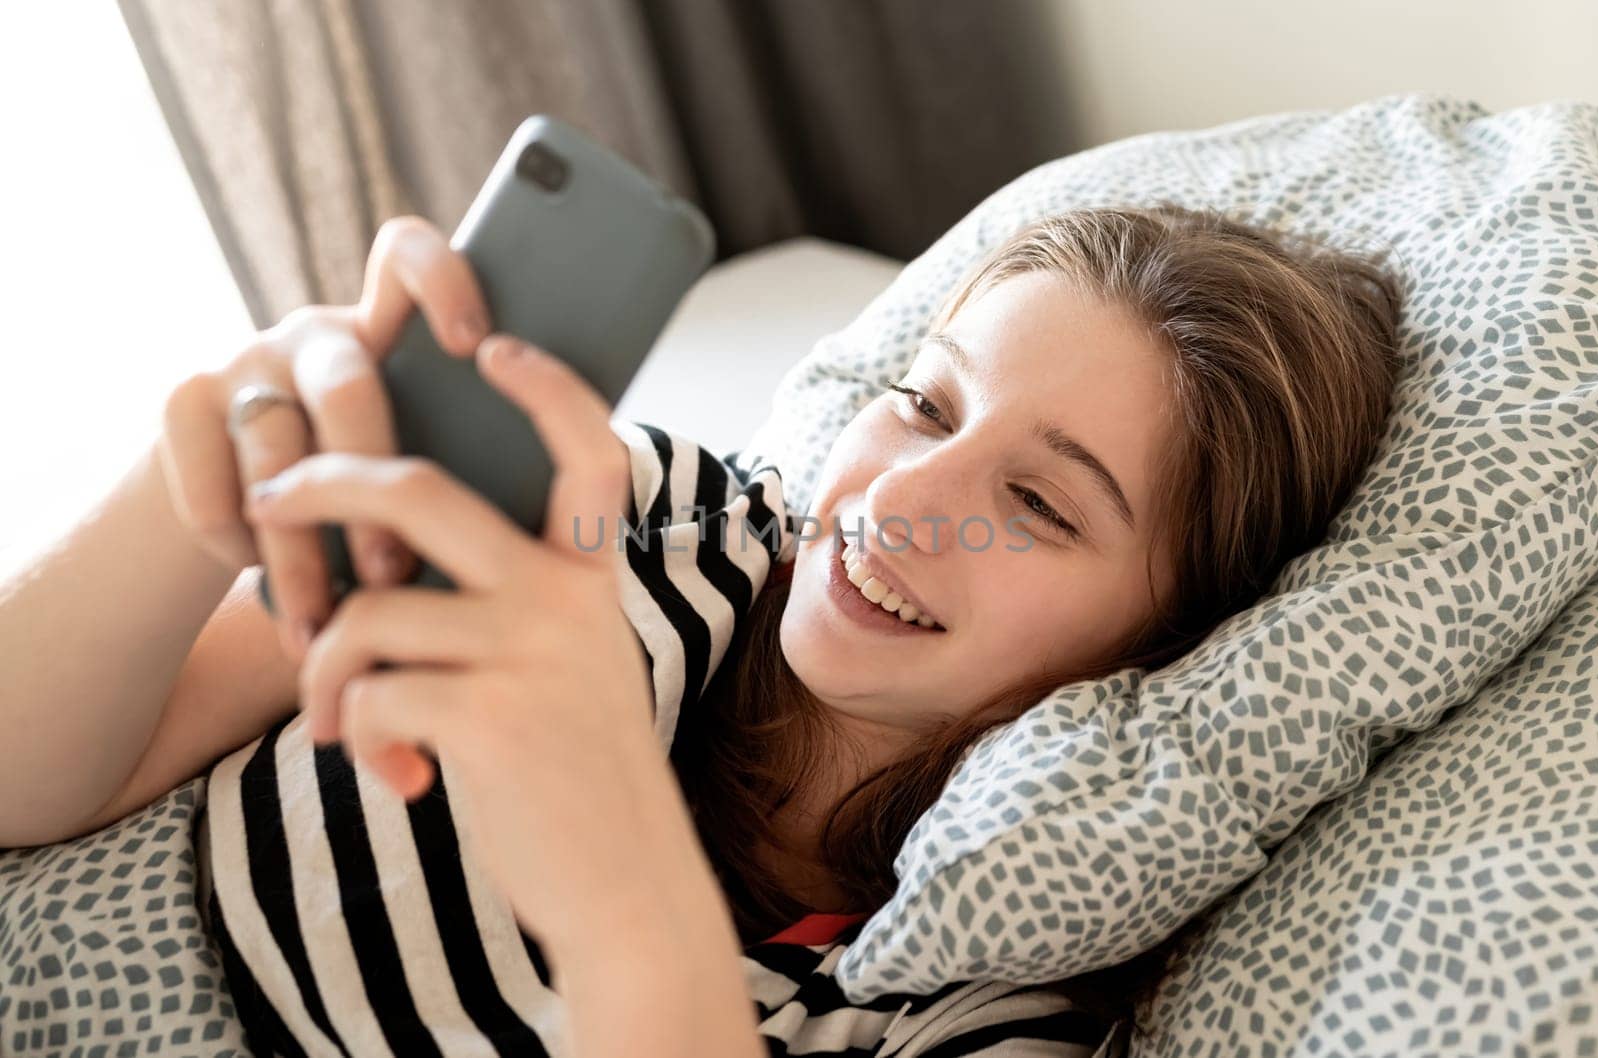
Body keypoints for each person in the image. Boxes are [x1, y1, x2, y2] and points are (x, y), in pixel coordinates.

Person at [0, 201, 1402, 1056]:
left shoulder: (970, 1008)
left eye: (1036, 500)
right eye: (923, 403)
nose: (905, 494)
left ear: (1170, 642)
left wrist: (620, 894)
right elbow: (36, 778)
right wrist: (203, 493)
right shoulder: (631, 514)